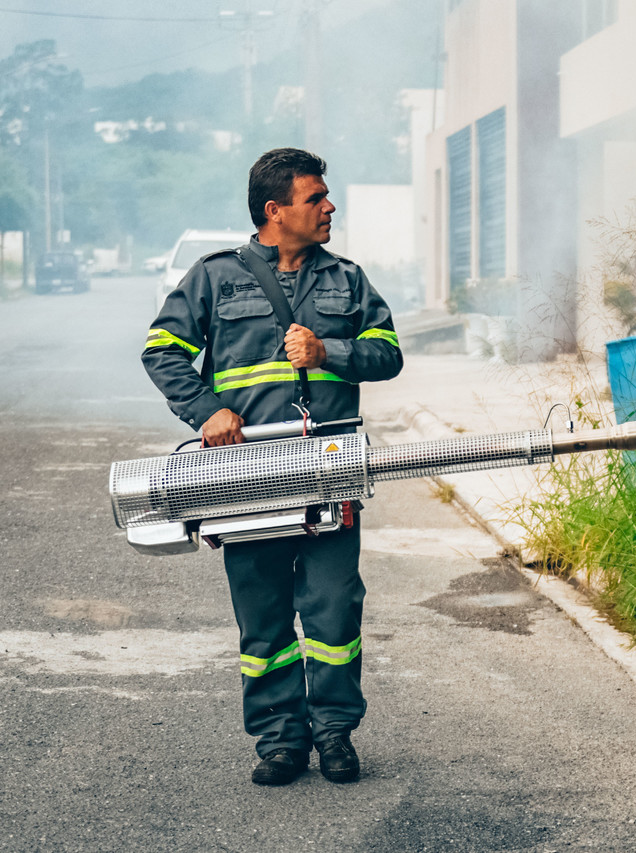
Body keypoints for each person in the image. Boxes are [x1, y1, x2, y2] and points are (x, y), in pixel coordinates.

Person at [142, 148, 404, 786]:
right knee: (263, 618)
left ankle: (335, 734)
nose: (329, 206)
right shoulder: (215, 278)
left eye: (325, 196)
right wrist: (206, 411)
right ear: (274, 211)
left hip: (330, 473)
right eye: (315, 198)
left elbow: (388, 353)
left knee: (334, 611)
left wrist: (329, 350)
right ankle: (280, 741)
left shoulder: (347, 279)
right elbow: (161, 350)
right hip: (246, 478)